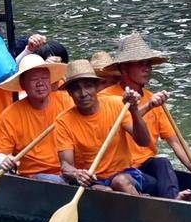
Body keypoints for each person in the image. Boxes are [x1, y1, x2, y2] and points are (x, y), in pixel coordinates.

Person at [99, 34, 191, 199]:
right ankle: (170, 199)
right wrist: (147, 106)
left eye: (148, 64)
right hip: (121, 171)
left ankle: (174, 201)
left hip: (146, 171)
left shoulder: (153, 98)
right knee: (141, 174)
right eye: (140, 64)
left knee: (162, 162)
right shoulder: (106, 98)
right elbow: (121, 122)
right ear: (124, 68)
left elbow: (176, 141)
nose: (147, 68)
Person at [53, 60, 161, 196]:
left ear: (97, 87)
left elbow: (144, 141)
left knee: (120, 182)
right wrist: (77, 174)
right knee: (105, 191)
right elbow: (66, 166)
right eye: (76, 89)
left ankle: (144, 211)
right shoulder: (63, 121)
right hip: (92, 180)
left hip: (124, 174)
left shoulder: (116, 104)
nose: (83, 93)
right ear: (69, 93)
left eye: (88, 86)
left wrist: (134, 111)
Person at [0, 54, 68, 182]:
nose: (40, 83)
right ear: (23, 85)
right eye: (34, 79)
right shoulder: (10, 115)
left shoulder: (67, 102)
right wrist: (4, 160)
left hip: (70, 170)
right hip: (35, 177)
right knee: (56, 181)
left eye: (44, 78)